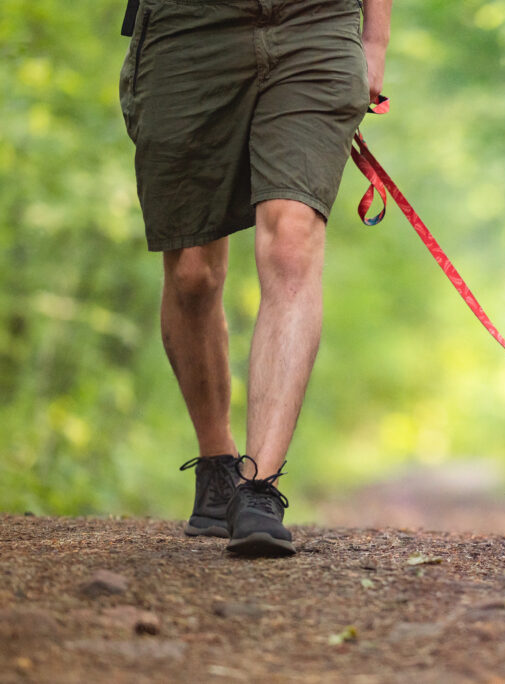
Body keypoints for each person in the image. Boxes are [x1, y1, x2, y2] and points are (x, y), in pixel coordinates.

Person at [118, 0, 392, 557]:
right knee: (192, 271)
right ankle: (217, 461)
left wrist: (376, 41)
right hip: (186, 29)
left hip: (316, 23)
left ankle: (259, 486)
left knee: (292, 242)